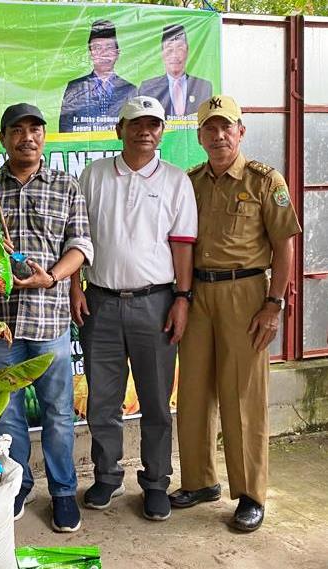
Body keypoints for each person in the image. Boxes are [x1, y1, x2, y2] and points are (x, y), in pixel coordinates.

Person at [170, 95, 301, 532]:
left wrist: (274, 303)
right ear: (200, 136)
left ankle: (250, 493)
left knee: (242, 397)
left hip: (246, 295)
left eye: (227, 127)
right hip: (196, 295)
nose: (219, 135)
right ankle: (200, 481)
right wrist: (182, 296)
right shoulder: (190, 182)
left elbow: (285, 243)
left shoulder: (265, 180)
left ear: (241, 131)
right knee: (192, 392)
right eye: (210, 128)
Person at [0, 103, 93, 531]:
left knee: (57, 411)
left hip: (49, 320)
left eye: (35, 129)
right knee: (7, 413)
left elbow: (81, 247)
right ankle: (18, 485)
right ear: (2, 140)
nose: (27, 137)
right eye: (16, 130)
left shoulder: (65, 186)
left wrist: (51, 277)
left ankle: (61, 492)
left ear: (44, 137)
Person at [70, 96, 197, 522]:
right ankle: (107, 477)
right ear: (119, 128)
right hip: (101, 301)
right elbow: (76, 238)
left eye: (154, 125)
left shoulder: (177, 181)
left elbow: (182, 247)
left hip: (156, 303)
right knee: (103, 400)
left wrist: (182, 299)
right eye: (136, 123)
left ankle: (157, 482)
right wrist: (75, 286)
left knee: (157, 402)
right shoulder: (93, 176)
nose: (145, 131)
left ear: (163, 131)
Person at [59, 20, 137, 133]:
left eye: (109, 47)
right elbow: (65, 130)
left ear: (117, 53)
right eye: (97, 48)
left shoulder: (129, 89)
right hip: (83, 149)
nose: (103, 53)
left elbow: (135, 127)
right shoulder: (75, 87)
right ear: (90, 53)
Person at [137, 25, 213, 119]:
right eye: (169, 49)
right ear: (162, 53)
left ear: (187, 51)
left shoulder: (203, 87)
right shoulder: (147, 88)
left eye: (180, 48)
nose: (174, 55)